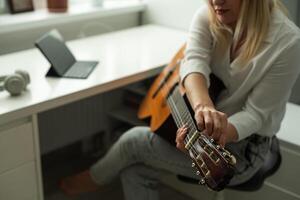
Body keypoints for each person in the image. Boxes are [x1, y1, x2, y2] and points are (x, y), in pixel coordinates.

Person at [60, 0, 300, 199]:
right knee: (134, 171)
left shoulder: (288, 42)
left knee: (133, 141)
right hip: (208, 122)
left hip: (245, 148)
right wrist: (202, 108)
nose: (216, 1)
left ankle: (92, 179)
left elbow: (257, 114)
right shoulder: (209, 14)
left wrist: (215, 134)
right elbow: (193, 62)